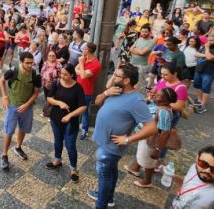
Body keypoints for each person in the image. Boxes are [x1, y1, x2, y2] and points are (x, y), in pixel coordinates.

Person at [87, 63, 157, 209]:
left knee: (104, 175)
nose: (113, 78)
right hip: (103, 141)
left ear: (126, 80)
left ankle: (101, 204)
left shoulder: (136, 100)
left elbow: (151, 128)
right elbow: (97, 102)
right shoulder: (115, 90)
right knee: (111, 171)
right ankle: (109, 198)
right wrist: (106, 93)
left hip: (111, 148)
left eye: (116, 76)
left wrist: (127, 139)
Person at [124, 87, 177, 188]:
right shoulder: (158, 104)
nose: (155, 96)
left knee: (148, 161)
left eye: (158, 96)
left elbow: (164, 133)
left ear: (166, 100)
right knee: (143, 155)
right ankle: (135, 168)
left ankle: (147, 181)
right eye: (156, 94)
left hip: (151, 140)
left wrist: (157, 149)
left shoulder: (163, 112)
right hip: (145, 136)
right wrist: (149, 99)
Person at [0, 52, 42, 170]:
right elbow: (1, 80)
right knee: (9, 131)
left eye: (31, 63)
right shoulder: (13, 71)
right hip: (12, 106)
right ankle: (4, 155)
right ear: (21, 62)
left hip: (27, 108)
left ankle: (18, 147)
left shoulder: (35, 75)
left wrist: (27, 105)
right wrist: (4, 97)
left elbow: (36, 92)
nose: (29, 65)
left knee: (23, 128)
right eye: (27, 63)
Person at [45, 63, 87, 182]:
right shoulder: (57, 83)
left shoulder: (78, 88)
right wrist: (59, 103)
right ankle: (57, 160)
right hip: (55, 118)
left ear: (72, 74)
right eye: (61, 73)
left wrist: (70, 115)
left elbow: (83, 107)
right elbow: (49, 98)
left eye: (66, 74)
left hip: (71, 122)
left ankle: (74, 169)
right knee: (57, 141)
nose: (62, 76)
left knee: (70, 145)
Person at [192, 34, 214, 114]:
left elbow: (210, 58)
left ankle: (203, 106)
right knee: (197, 86)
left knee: (205, 88)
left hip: (208, 72)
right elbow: (196, 53)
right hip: (198, 69)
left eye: (211, 40)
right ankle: (199, 100)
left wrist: (207, 49)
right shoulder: (204, 46)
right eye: (208, 40)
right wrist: (205, 55)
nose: (209, 42)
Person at [75, 43, 101, 140]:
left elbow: (83, 76)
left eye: (84, 49)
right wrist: (82, 71)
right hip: (77, 88)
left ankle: (84, 130)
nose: (82, 50)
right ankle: (75, 126)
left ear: (88, 50)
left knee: (84, 112)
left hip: (86, 91)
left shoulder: (96, 64)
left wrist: (81, 65)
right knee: (75, 108)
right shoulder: (84, 58)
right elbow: (75, 69)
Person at [130, 24, 155, 90]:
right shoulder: (139, 39)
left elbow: (142, 53)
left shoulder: (151, 42)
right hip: (132, 63)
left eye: (145, 32)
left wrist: (136, 50)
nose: (143, 33)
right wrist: (139, 51)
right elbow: (130, 49)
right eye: (142, 31)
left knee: (138, 83)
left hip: (141, 66)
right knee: (130, 81)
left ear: (149, 32)